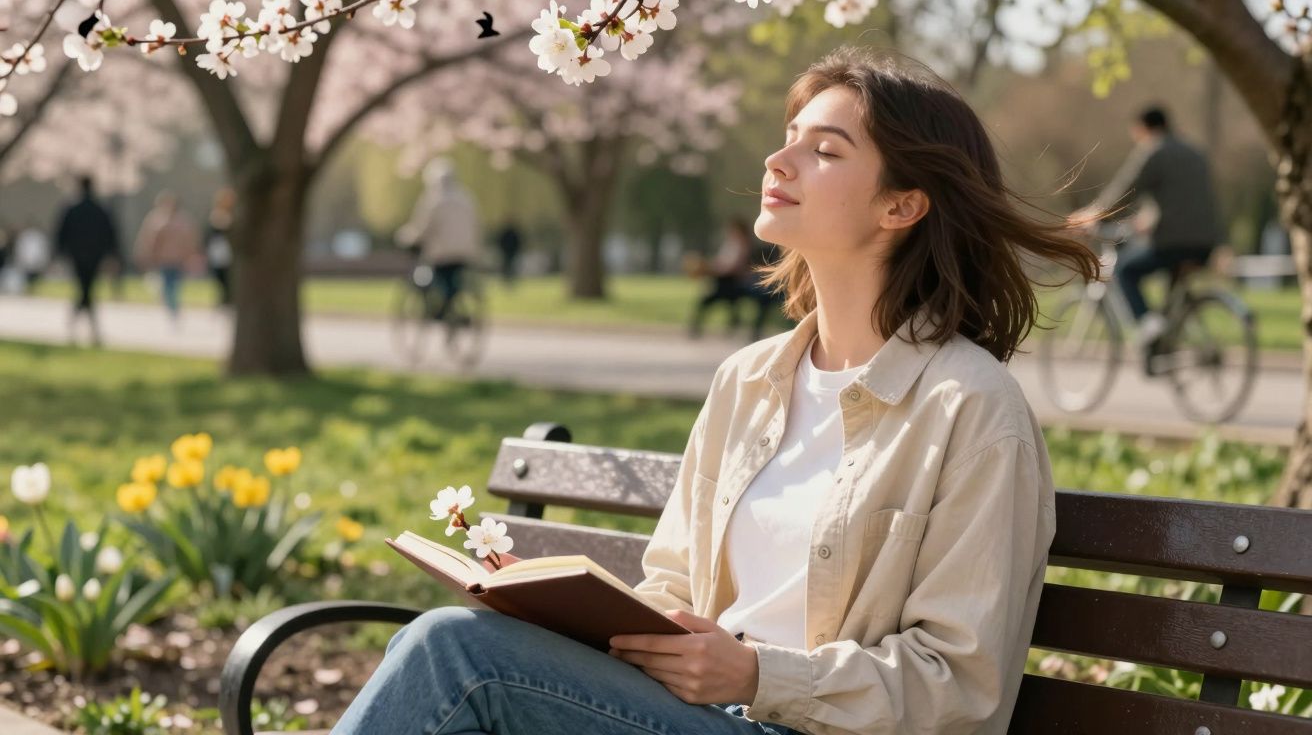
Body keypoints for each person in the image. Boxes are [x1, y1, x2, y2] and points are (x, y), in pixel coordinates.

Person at [333, 46, 1101, 735]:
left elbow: (961, 685)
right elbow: (673, 584)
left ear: (900, 205)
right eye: (789, 136)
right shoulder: (751, 380)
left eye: (823, 150)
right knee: (456, 651)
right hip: (695, 714)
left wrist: (759, 676)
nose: (778, 160)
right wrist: (574, 618)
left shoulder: (970, 408)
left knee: (454, 655)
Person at [1073, 106, 1224, 347]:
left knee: (1125, 270)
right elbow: (1183, 200)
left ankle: (1149, 326)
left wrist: (1094, 215)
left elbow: (1126, 190)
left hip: (1173, 242)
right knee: (1169, 298)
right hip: (1206, 242)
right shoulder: (1195, 152)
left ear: (1142, 128)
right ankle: (1164, 340)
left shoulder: (1154, 150)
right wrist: (1149, 218)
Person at [396, 158, 482, 322]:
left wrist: (407, 238)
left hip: (441, 253)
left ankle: (440, 310)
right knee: (453, 281)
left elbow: (422, 227)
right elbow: (476, 225)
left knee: (430, 277)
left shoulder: (433, 199)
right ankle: (451, 308)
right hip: (466, 252)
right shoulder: (466, 197)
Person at [53, 176, 122, 346]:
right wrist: (113, 254)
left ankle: (77, 323)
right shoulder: (101, 209)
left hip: (77, 255)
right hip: (95, 255)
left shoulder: (72, 209)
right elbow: (111, 233)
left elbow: (61, 233)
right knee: (87, 289)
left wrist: (59, 253)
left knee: (85, 289)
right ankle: (90, 328)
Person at [135, 191, 201, 326]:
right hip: (162, 260)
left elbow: (191, 240)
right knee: (167, 286)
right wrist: (146, 255)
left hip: (178, 260)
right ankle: (172, 309)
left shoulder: (183, 221)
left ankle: (174, 309)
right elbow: (147, 240)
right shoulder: (155, 219)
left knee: (173, 286)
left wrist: (191, 256)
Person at [688, 217, 755, 339]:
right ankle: (733, 323)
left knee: (711, 302)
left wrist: (713, 269)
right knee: (727, 305)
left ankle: (734, 324)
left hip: (732, 282)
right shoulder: (730, 244)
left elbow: (734, 266)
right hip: (723, 281)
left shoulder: (743, 245)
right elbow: (721, 262)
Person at [205, 187, 236, 308]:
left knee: (229, 275)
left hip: (229, 249)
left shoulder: (233, 214)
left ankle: (228, 298)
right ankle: (223, 298)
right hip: (218, 250)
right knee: (219, 275)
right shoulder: (215, 214)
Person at [495, 221, 524, 286]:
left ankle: (510, 279)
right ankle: (508, 279)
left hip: (510, 252)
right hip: (508, 252)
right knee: (508, 267)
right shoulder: (511, 233)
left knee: (510, 267)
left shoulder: (509, 233)